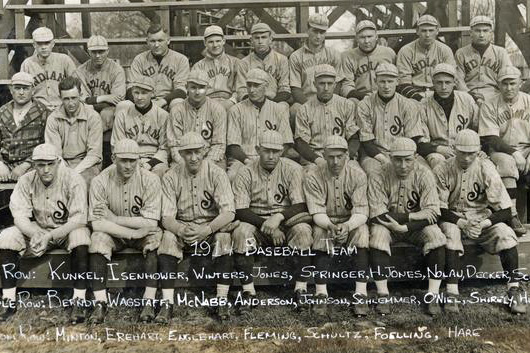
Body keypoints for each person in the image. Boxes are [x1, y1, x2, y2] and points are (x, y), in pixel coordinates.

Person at [434, 129, 526, 315]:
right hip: (453, 218)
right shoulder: (442, 168)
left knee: (505, 233)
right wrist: (462, 223)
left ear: (478, 151)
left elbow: (506, 210)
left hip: (481, 217)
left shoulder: (486, 167)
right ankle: (452, 292)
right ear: (453, 149)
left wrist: (483, 223)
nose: (467, 158)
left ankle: (514, 288)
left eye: (471, 153)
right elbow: (438, 209)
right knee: (451, 234)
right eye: (462, 152)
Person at [0, 144, 90, 323]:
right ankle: (8, 299)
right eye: (40, 164)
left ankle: (79, 300)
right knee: (7, 236)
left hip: (66, 230)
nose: (46, 169)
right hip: (39, 230)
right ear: (34, 164)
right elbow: (19, 216)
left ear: (58, 162)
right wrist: (35, 233)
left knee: (80, 236)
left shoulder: (73, 179)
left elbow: (79, 219)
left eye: (50, 164)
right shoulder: (26, 180)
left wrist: (49, 235)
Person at [231, 130, 312, 314]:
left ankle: (301, 289)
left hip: (285, 221)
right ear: (258, 149)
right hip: (256, 220)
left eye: (275, 151)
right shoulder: (245, 172)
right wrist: (265, 225)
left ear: (282, 151)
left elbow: (300, 204)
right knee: (240, 233)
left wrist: (279, 218)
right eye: (266, 150)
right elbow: (240, 209)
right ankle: (248, 292)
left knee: (303, 231)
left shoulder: (292, 169)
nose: (271, 155)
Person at [157, 132, 235, 322]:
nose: (193, 157)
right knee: (167, 238)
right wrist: (180, 230)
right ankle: (167, 303)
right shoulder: (171, 175)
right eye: (188, 153)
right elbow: (166, 217)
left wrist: (207, 230)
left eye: (197, 152)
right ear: (181, 154)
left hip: (209, 227)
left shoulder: (217, 173)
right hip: (183, 226)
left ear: (204, 151)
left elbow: (229, 212)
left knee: (224, 239)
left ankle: (221, 299)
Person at [368, 137, 446, 316]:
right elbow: (378, 214)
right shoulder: (378, 174)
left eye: (408, 159)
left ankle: (432, 295)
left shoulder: (424, 173)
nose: (403, 165)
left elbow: (434, 212)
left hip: (414, 227)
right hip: (387, 226)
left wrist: (408, 223)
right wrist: (416, 216)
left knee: (436, 236)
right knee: (377, 235)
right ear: (390, 157)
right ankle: (383, 294)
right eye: (398, 159)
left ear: (416, 157)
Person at [88, 139, 163, 324]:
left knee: (154, 237)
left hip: (140, 232)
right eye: (123, 160)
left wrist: (113, 219)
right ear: (113, 158)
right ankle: (100, 302)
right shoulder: (100, 180)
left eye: (132, 160)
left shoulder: (151, 179)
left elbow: (151, 222)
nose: (128, 165)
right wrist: (130, 233)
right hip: (117, 235)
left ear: (139, 159)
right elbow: (97, 224)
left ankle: (149, 300)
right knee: (97, 239)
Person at [303, 135, 370, 317]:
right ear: (323, 155)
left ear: (347, 155)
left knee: (362, 232)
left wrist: (347, 226)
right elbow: (316, 212)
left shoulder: (358, 175)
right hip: (325, 219)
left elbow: (362, 211)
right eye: (330, 156)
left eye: (339, 156)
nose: (335, 161)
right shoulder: (313, 175)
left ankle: (361, 293)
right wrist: (330, 226)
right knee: (319, 233)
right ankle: (321, 293)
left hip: (351, 219)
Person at [478, 66, 529, 236]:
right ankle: (512, 215)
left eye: (512, 83)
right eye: (504, 83)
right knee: (507, 164)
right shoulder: (489, 104)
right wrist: (514, 154)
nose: (508, 87)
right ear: (498, 85)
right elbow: (491, 137)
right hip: (500, 151)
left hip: (527, 149)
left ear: (521, 83)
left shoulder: (529, 101)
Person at [357, 63, 423, 177]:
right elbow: (366, 142)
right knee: (375, 173)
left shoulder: (408, 105)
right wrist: (383, 159)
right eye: (382, 81)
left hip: (403, 153)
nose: (386, 86)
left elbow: (413, 139)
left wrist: (401, 158)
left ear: (397, 81)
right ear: (375, 81)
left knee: (420, 173)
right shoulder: (365, 104)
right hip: (374, 155)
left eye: (390, 81)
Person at [226, 68, 293, 179]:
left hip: (273, 159)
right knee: (232, 176)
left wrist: (273, 160)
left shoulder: (279, 109)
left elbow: (286, 142)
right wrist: (248, 161)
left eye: (256, 85)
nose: (252, 90)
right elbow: (233, 146)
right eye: (249, 85)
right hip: (244, 160)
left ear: (266, 87)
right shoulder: (236, 110)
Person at [295, 64, 360, 165]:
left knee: (357, 175)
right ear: (314, 84)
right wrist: (317, 159)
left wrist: (346, 156)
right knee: (310, 176)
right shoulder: (304, 109)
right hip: (315, 158)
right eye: (322, 83)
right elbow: (301, 143)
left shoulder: (347, 105)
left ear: (335, 84)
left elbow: (354, 137)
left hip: (341, 155)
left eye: (329, 84)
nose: (326, 88)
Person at [418, 63, 478, 169]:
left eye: (448, 82)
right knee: (437, 160)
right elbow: (421, 141)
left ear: (454, 82)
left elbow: (478, 129)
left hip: (466, 148)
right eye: (439, 83)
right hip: (438, 150)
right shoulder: (424, 104)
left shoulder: (466, 99)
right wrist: (437, 149)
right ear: (433, 83)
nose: (443, 87)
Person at [45, 76, 102, 185]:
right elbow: (55, 153)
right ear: (60, 98)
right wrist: (65, 171)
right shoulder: (53, 118)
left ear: (80, 96)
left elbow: (94, 154)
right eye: (66, 99)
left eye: (74, 98)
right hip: (62, 163)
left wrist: (74, 173)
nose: (71, 103)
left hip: (87, 164)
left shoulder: (93, 117)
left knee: (84, 181)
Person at [289, 14, 342, 127]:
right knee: (294, 110)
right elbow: (295, 88)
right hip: (306, 100)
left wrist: (329, 103)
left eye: (322, 32)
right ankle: (297, 142)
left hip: (329, 99)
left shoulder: (333, 55)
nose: (318, 36)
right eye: (315, 31)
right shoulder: (296, 56)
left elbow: (338, 83)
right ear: (308, 30)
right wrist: (311, 107)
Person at [111, 76, 169, 178]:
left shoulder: (163, 115)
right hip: (128, 158)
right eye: (136, 92)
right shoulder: (122, 115)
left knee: (160, 171)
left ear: (153, 93)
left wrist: (149, 164)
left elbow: (165, 149)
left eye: (144, 93)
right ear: (132, 93)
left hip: (154, 159)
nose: (139, 97)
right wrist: (132, 162)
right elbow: (117, 144)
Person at [167, 70, 226, 168]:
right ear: (187, 88)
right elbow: (174, 145)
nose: (197, 92)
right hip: (184, 160)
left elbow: (219, 145)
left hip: (211, 159)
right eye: (193, 87)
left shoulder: (217, 109)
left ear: (208, 88)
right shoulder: (177, 110)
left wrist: (206, 165)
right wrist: (185, 164)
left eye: (202, 88)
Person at [127, 23, 189, 110]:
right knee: (124, 105)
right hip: (143, 102)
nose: (156, 45)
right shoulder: (139, 59)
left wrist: (162, 101)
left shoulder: (181, 59)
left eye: (160, 40)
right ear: (147, 42)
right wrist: (146, 103)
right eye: (152, 41)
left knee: (178, 103)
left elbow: (181, 90)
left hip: (168, 102)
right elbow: (131, 88)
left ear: (168, 40)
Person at [0, 72, 48, 182]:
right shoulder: (2, 111)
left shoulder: (43, 112)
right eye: (17, 88)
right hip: (4, 165)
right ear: (11, 90)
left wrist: (25, 165)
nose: (21, 93)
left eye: (25, 88)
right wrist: (0, 164)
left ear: (33, 90)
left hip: (32, 165)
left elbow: (46, 144)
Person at [396, 15, 456, 101]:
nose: (427, 35)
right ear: (417, 31)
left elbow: (450, 79)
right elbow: (403, 83)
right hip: (413, 95)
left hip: (439, 94)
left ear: (437, 31)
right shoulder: (406, 51)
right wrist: (418, 99)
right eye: (424, 31)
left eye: (431, 30)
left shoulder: (445, 50)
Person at [74, 35, 126, 132]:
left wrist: (92, 102)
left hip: (109, 109)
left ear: (107, 51)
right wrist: (105, 98)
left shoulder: (116, 69)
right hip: (88, 108)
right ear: (88, 52)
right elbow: (81, 99)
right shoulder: (80, 70)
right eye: (94, 52)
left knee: (107, 114)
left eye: (101, 51)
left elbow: (117, 99)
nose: (98, 55)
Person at [455, 16, 512, 104]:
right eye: (477, 31)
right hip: (467, 96)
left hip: (495, 96)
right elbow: (458, 80)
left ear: (491, 33)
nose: (481, 35)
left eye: (485, 31)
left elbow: (507, 77)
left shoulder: (501, 52)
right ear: (471, 33)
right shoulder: (461, 53)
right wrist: (468, 94)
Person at [21, 27, 76, 112]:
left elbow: (75, 87)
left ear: (53, 43)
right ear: (34, 45)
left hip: (63, 107)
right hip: (37, 109)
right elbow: (23, 92)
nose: (43, 47)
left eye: (47, 43)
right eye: (40, 43)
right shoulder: (27, 64)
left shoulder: (64, 60)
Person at [340, 20, 396, 101]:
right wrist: (363, 97)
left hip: (386, 95)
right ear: (356, 38)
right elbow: (346, 86)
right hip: (359, 98)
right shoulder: (347, 56)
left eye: (370, 37)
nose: (366, 41)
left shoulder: (388, 53)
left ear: (376, 37)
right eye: (362, 37)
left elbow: (397, 79)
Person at [235, 23, 291, 105]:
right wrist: (258, 103)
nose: (260, 41)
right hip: (251, 103)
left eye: (264, 37)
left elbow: (284, 89)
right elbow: (242, 91)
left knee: (283, 106)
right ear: (251, 40)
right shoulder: (244, 63)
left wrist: (269, 104)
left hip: (275, 101)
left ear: (270, 39)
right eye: (257, 38)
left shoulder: (281, 59)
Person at [192, 25, 240, 112]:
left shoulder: (235, 62)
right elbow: (195, 91)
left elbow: (240, 88)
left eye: (218, 41)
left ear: (223, 41)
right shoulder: (198, 66)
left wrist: (232, 101)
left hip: (229, 103)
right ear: (205, 43)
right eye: (211, 42)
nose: (215, 45)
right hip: (206, 104)